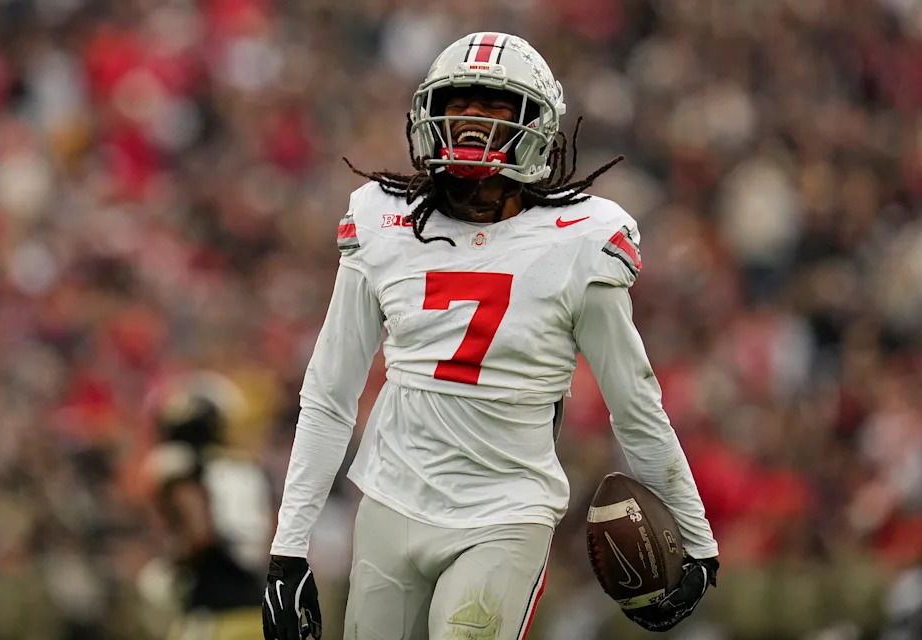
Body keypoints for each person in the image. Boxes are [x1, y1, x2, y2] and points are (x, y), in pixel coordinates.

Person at [262, 32, 719, 640]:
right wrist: (289, 548)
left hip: (504, 513)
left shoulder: (580, 237)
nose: (471, 119)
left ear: (538, 127)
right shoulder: (383, 218)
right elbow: (329, 392)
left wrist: (697, 537)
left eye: (494, 105)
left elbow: (634, 404)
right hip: (389, 503)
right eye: (460, 102)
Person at [144, 372, 273, 640]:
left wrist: (173, 567)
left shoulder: (188, 472)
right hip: (259, 608)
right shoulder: (250, 471)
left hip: (214, 613)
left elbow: (200, 533)